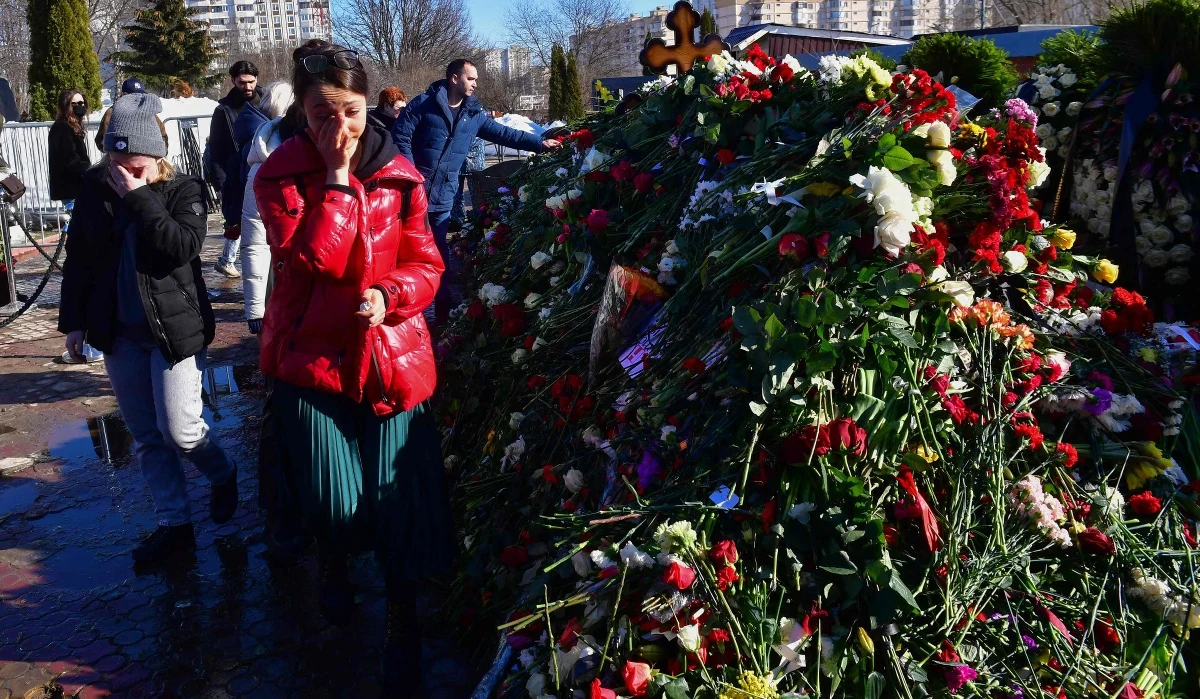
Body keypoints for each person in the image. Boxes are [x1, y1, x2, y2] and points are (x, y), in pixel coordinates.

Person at [254, 39, 447, 684]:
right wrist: (337, 181)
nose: (341, 128)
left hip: (389, 353)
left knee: (398, 506)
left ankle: (403, 619)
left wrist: (389, 295)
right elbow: (313, 259)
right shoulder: (278, 177)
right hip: (312, 359)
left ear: (371, 107)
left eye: (353, 112)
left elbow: (427, 264)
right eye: (323, 114)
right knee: (338, 502)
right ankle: (333, 558)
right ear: (303, 116)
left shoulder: (401, 173)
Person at [58, 93, 239, 564]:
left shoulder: (184, 190)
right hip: (119, 333)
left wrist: (138, 197)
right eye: (113, 158)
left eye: (131, 160)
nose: (119, 168)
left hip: (174, 331)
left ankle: (222, 473)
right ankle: (174, 525)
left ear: (154, 156)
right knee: (146, 436)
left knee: (180, 429)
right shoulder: (96, 190)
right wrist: (74, 323)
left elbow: (180, 247)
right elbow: (79, 260)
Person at [392, 59, 561, 325]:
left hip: (444, 197)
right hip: (412, 194)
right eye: (471, 79)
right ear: (455, 79)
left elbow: (506, 135)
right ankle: (402, 313)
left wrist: (540, 143)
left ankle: (443, 311)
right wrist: (411, 176)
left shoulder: (474, 114)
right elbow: (400, 136)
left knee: (438, 254)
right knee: (406, 253)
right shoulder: (423, 104)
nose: (475, 84)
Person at [48, 89, 103, 364]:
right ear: (65, 106)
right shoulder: (61, 129)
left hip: (80, 187)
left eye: (83, 103)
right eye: (75, 103)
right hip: (73, 190)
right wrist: (89, 169)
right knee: (80, 250)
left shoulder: (76, 127)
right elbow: (68, 161)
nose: (80, 106)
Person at [208, 60, 263, 278]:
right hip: (236, 174)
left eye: (251, 81)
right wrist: (220, 183)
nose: (248, 87)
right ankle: (231, 260)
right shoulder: (223, 110)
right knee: (237, 219)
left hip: (264, 169)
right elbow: (216, 150)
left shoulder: (267, 101)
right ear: (233, 81)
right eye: (242, 82)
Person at [95, 78, 147, 151]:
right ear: (123, 95)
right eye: (133, 95)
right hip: (119, 159)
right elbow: (101, 140)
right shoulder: (112, 112)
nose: (137, 98)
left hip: (146, 160)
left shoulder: (149, 112)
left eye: (141, 95)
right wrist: (118, 150)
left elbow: (163, 136)